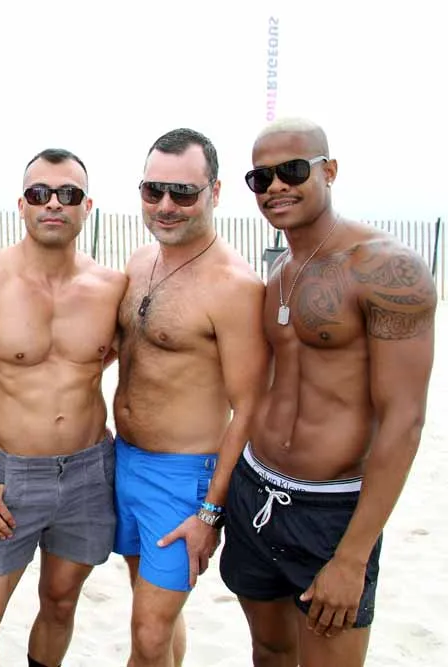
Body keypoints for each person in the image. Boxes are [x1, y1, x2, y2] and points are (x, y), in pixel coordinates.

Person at [220, 117, 437, 667]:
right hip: (255, 491)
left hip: (333, 509)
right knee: (269, 652)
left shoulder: (387, 269)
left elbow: (405, 419)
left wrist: (353, 556)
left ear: (330, 171)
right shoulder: (279, 274)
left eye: (293, 171)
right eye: (260, 178)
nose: (275, 187)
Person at [0, 148, 127, 667]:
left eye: (68, 194)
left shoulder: (111, 288)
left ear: (87, 206)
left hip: (90, 472)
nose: (53, 204)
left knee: (61, 602)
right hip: (9, 477)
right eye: (40, 193)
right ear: (22, 205)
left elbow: (114, 360)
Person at [111, 128, 269, 667]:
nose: (165, 205)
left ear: (215, 192)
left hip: (183, 477)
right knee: (154, 616)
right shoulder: (139, 262)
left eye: (182, 193)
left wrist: (210, 511)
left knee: (148, 633)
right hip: (125, 461)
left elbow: (249, 407)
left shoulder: (235, 286)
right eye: (152, 190)